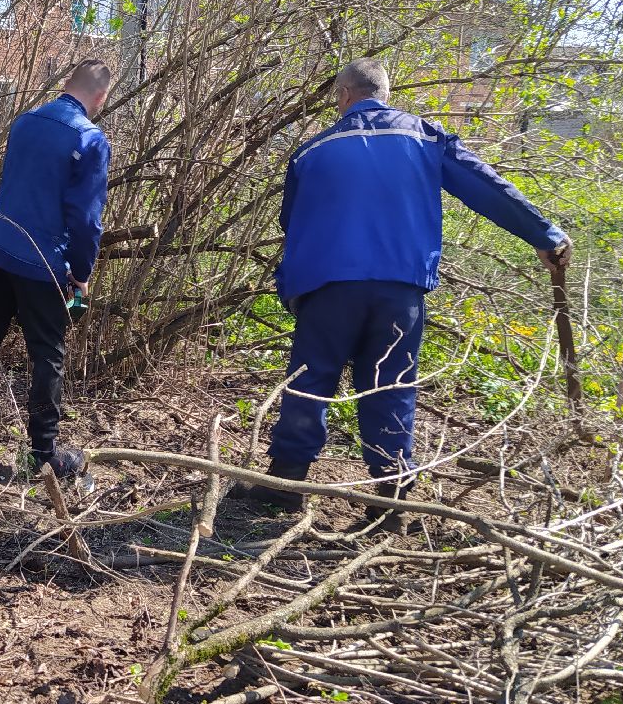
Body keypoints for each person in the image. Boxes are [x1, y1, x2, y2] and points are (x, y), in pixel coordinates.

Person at [236, 57, 571, 526]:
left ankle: (286, 485)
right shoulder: (424, 138)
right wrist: (545, 235)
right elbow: (486, 188)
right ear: (385, 93)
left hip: (327, 288)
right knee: (390, 386)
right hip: (399, 290)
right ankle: (391, 501)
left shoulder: (311, 151)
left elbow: (291, 223)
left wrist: (291, 287)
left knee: (310, 383)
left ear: (344, 96)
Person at [0, 59, 114, 480]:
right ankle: (44, 453)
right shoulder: (90, 138)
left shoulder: (25, 121)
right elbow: (86, 219)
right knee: (47, 354)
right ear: (100, 98)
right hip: (43, 262)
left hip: (0, 247)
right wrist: (81, 272)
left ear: (66, 84)